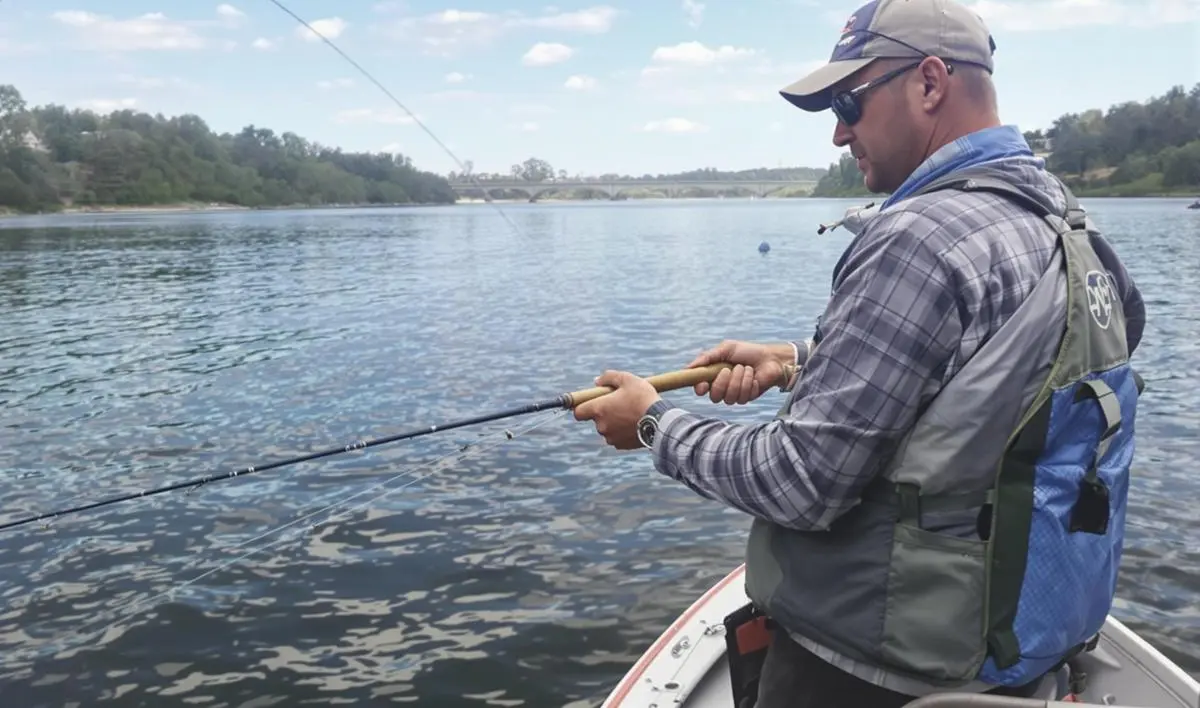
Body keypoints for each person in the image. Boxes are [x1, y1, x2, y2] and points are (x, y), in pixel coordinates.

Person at [573, 0, 1147, 706]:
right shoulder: (1064, 219)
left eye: (849, 102)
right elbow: (1025, 365)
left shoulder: (921, 237)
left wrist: (654, 422)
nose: (840, 133)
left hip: (870, 675)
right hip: (1009, 655)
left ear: (930, 82)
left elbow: (798, 484)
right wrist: (799, 360)